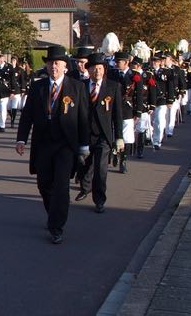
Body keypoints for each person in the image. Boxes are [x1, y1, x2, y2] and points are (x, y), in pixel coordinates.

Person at [15, 45, 90, 244]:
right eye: (50, 63)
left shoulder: (77, 87)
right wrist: (21, 138)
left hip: (66, 144)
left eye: (57, 63)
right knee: (44, 184)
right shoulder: (38, 87)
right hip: (43, 143)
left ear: (65, 66)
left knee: (61, 185)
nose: (53, 67)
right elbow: (28, 114)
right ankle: (52, 212)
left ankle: (57, 226)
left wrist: (84, 146)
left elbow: (83, 118)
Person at [74, 53, 123, 213]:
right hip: (85, 134)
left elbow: (118, 114)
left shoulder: (113, 87)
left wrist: (119, 137)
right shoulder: (81, 86)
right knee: (84, 165)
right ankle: (85, 188)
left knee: (101, 169)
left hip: (103, 135)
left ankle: (99, 199)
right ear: (89, 70)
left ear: (104, 70)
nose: (97, 71)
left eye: (100, 68)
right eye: (94, 68)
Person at [109, 51, 141, 172]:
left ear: (126, 62)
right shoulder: (111, 74)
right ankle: (114, 152)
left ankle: (124, 160)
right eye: (116, 61)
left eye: (119, 61)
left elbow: (138, 95)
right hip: (113, 107)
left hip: (127, 108)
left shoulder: (134, 75)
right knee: (113, 133)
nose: (116, 63)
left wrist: (138, 112)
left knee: (126, 137)